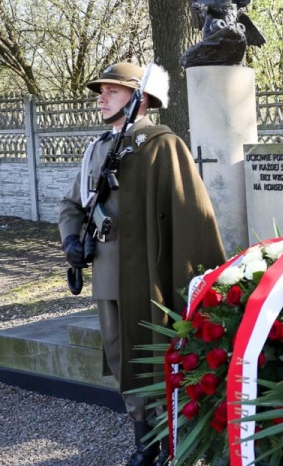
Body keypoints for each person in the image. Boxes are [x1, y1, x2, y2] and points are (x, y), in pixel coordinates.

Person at [59, 62, 226, 466]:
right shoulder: (97, 148)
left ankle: (159, 445)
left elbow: (193, 215)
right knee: (120, 357)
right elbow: (72, 203)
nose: (101, 97)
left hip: (148, 275)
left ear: (140, 98)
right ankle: (144, 437)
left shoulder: (162, 146)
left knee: (152, 356)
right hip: (108, 275)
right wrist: (71, 241)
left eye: (111, 91)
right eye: (101, 91)